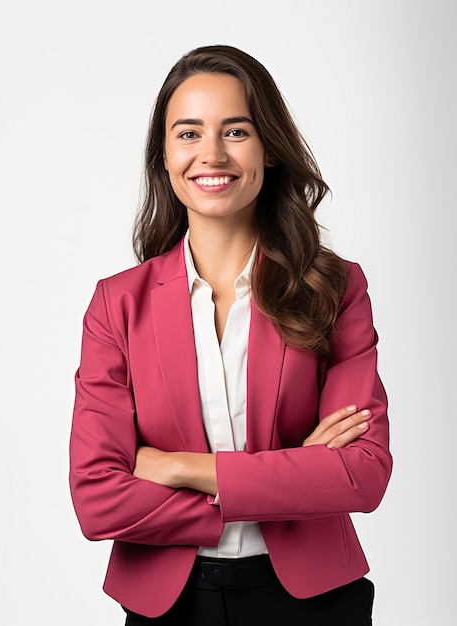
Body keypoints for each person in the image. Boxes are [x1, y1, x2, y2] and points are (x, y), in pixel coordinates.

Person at [69, 44, 392, 625]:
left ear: (269, 150)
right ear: (164, 157)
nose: (211, 154)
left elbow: (362, 473)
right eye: (188, 134)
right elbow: (96, 501)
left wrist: (180, 467)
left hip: (313, 603)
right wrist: (291, 473)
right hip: (168, 605)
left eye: (236, 131)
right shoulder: (117, 305)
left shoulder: (333, 288)